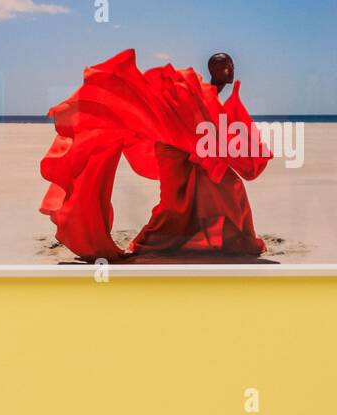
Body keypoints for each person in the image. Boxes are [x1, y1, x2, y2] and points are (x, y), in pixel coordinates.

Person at [38, 48, 271, 261]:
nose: (230, 69)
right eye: (224, 66)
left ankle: (226, 239)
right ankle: (148, 244)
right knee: (174, 202)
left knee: (228, 188)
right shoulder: (194, 89)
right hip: (171, 149)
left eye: (230, 65)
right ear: (214, 70)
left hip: (194, 152)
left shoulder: (207, 94)